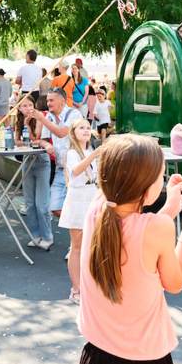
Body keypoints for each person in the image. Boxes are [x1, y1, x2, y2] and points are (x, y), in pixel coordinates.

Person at [70, 134, 182, 364]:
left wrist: (169, 209)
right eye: (161, 175)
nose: (163, 180)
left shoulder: (98, 207)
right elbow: (176, 282)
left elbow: (134, 230)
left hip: (96, 361)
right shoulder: (156, 228)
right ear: (147, 189)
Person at [59, 119, 103, 304]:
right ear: (73, 132)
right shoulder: (72, 153)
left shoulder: (89, 151)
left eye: (87, 127)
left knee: (93, 245)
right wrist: (94, 156)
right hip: (78, 199)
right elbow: (76, 171)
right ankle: (76, 289)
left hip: (91, 195)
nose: (86, 130)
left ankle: (89, 285)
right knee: (76, 247)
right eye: (81, 128)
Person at [31, 88, 84, 221]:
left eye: (51, 100)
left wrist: (42, 119)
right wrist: (47, 145)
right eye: (47, 100)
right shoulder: (49, 116)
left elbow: (61, 133)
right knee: (54, 206)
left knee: (79, 207)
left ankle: (81, 232)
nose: (48, 103)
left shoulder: (74, 114)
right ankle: (79, 229)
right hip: (61, 169)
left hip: (78, 170)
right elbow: (41, 141)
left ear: (62, 101)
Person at [16, 96, 53, 250]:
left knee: (41, 204)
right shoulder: (17, 121)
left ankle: (47, 236)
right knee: (30, 203)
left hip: (41, 160)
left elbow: (36, 138)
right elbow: (17, 142)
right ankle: (35, 235)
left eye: (30, 105)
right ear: (19, 108)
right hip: (27, 161)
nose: (28, 108)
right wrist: (29, 138)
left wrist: (27, 127)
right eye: (24, 105)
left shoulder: (39, 117)